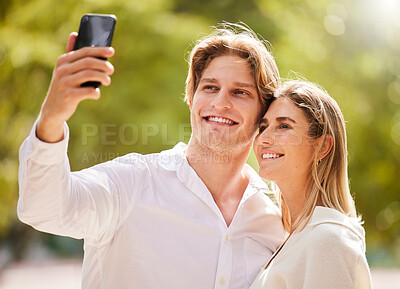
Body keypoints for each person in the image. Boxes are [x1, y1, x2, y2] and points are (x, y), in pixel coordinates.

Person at [17, 23, 286, 289]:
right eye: (210, 87)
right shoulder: (131, 184)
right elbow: (44, 208)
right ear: (191, 98)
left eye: (240, 92)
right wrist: (51, 119)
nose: (220, 103)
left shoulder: (274, 224)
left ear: (264, 115)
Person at [250, 80, 373, 289]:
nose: (264, 139)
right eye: (263, 127)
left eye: (284, 126)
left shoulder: (329, 241)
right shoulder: (295, 238)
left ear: (322, 146)